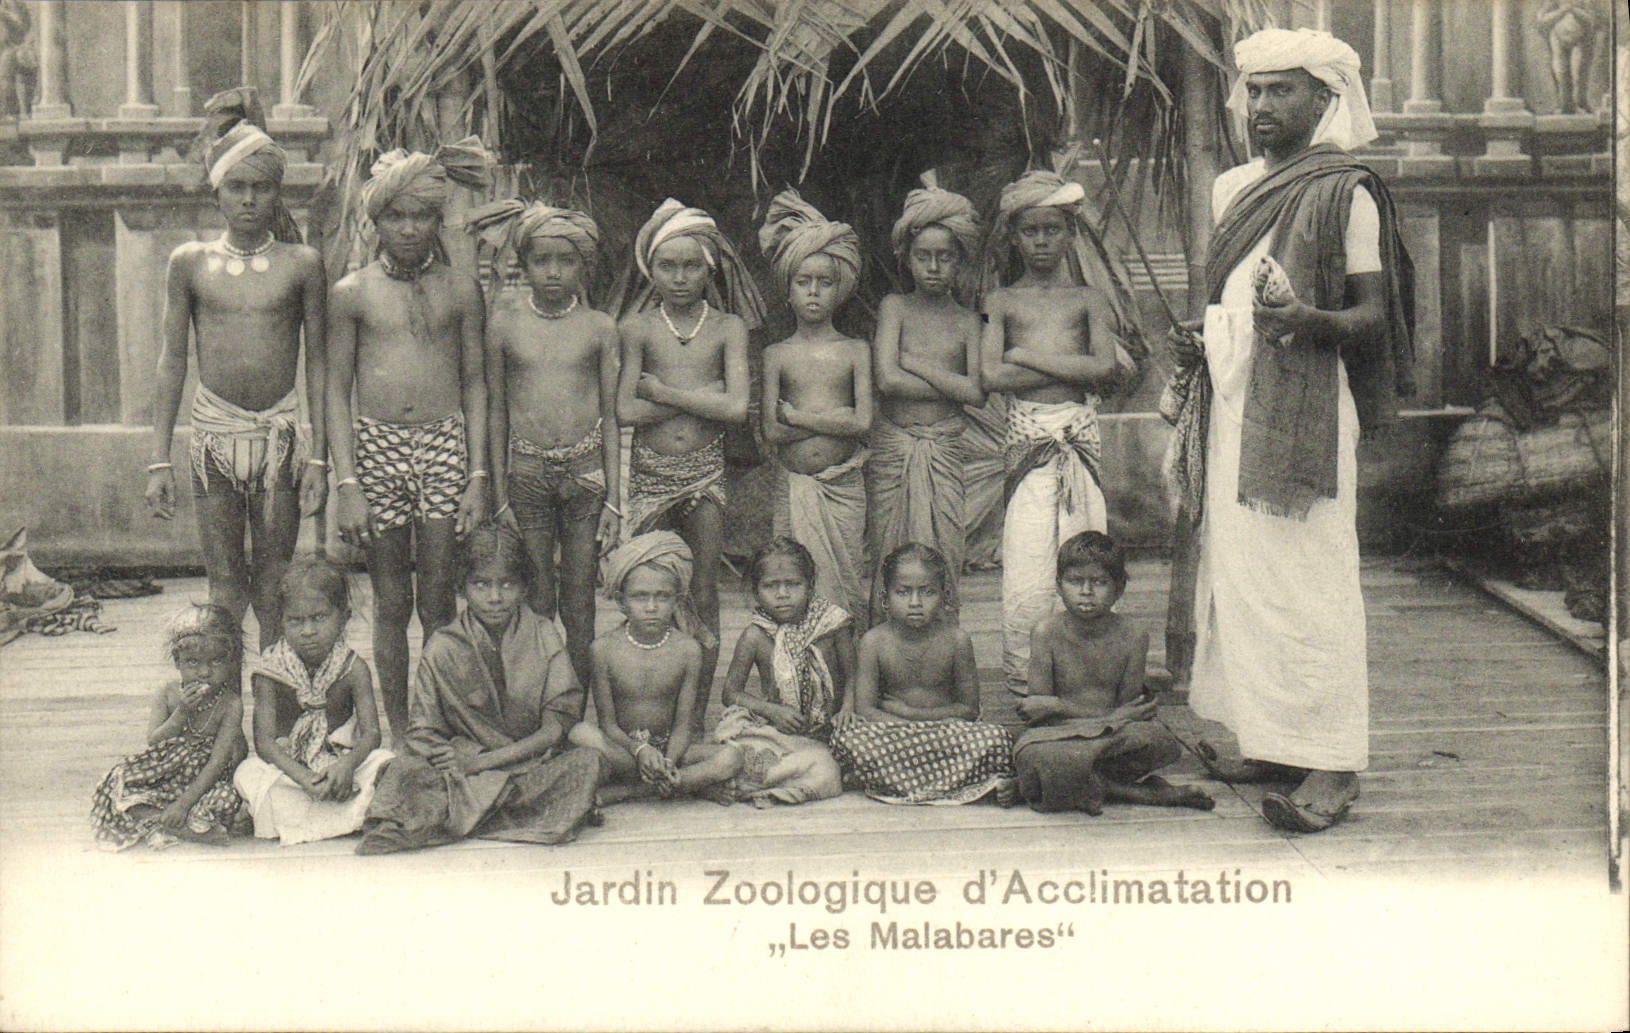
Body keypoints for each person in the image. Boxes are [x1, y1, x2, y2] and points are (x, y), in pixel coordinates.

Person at [1164, 28, 1414, 833]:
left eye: (1282, 92)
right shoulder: (1233, 186)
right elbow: (1234, 298)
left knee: (1310, 583)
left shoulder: (1349, 192)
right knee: (1242, 578)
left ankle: (1334, 764)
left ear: (1324, 99)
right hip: (1237, 399)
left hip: (1304, 406)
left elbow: (1376, 316)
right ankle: (1272, 741)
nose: (1262, 107)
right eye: (1256, 91)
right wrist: (1207, 336)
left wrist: (1304, 318)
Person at [144, 87, 327, 650]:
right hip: (214, 438)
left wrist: (319, 456)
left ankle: (274, 711)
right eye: (237, 187)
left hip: (280, 438)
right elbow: (173, 358)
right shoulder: (191, 262)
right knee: (224, 587)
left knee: (275, 585)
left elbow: (318, 359)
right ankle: (221, 716)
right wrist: (157, 458)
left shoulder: (303, 264)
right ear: (217, 191)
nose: (249, 199)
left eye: (262, 187)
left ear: (278, 194)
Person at [328, 140, 493, 749]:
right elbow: (334, 389)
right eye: (395, 215)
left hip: (445, 444)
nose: (408, 228)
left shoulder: (460, 289)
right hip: (377, 449)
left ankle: (440, 721)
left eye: (421, 215)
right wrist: (347, 484)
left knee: (441, 601)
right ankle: (399, 731)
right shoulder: (352, 292)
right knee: (392, 601)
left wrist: (477, 476)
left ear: (437, 219)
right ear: (376, 221)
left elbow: (476, 382)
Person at [980, 168, 1138, 693]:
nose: (1042, 240)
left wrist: (1024, 354)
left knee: (1083, 549)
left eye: (1052, 229)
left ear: (1069, 233)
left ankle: (1081, 675)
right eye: (1030, 231)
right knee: (1027, 557)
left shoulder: (1087, 300)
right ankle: (1029, 674)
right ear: (1014, 236)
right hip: (1028, 442)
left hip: (1078, 440)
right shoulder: (1000, 303)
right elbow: (992, 376)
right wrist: (1057, 361)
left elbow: (1101, 370)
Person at [356, 522, 602, 854]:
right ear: (462, 588)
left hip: (525, 763)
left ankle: (457, 817)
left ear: (524, 587)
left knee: (586, 761)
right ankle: (511, 812)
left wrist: (484, 764)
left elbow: (555, 728)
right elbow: (423, 732)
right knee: (401, 771)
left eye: (507, 584)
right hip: (462, 769)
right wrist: (458, 757)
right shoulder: (443, 646)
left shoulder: (543, 634)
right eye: (481, 584)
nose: (495, 597)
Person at [617, 198, 766, 733]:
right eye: (667, 266)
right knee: (648, 585)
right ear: (650, 269)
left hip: (705, 471)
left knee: (703, 589)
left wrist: (663, 390)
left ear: (711, 267)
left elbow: (734, 410)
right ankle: (647, 705)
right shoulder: (637, 328)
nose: (680, 277)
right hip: (651, 473)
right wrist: (697, 395)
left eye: (691, 266)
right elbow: (625, 409)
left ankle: (695, 715)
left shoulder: (728, 327)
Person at [465, 199, 620, 690]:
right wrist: (498, 491)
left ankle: (574, 704)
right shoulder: (506, 324)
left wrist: (616, 497)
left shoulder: (599, 327)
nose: (553, 273)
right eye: (541, 260)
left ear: (584, 265)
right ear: (523, 263)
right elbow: (496, 411)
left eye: (566, 261)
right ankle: (534, 698)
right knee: (535, 595)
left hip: (586, 473)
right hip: (526, 474)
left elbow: (612, 415)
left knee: (579, 596)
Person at [1009, 532, 1213, 815]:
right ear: (1058, 586)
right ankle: (1137, 792)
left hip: (1112, 737)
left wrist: (1072, 709)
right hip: (1060, 736)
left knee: (1159, 740)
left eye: (1100, 582)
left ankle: (1070, 784)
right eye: (1075, 581)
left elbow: (1127, 710)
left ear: (1119, 588)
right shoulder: (1046, 633)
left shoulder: (1133, 635)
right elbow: (1038, 712)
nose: (1086, 592)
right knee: (1031, 751)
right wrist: (1103, 717)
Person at [868, 186, 985, 623]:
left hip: (944, 448)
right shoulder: (894, 307)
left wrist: (913, 363)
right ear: (907, 258)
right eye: (923, 256)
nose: (934, 267)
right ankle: (885, 654)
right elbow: (886, 380)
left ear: (960, 260)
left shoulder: (969, 321)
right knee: (889, 550)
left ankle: (940, 654)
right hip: (894, 448)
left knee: (944, 549)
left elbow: (976, 393)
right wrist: (949, 382)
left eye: (945, 257)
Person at [758, 188, 873, 624]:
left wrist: (799, 416)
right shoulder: (777, 354)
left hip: (843, 487)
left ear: (839, 289)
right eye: (803, 282)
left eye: (824, 283)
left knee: (843, 584)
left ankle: (844, 682)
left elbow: (862, 421)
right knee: (791, 581)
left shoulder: (855, 351)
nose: (813, 292)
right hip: (794, 487)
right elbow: (772, 431)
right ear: (788, 289)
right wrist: (832, 421)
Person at [829, 543, 1014, 805]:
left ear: (944, 596)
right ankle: (953, 783)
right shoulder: (874, 642)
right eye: (903, 593)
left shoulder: (957, 640)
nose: (915, 603)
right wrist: (907, 728)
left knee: (996, 739)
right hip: (894, 735)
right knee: (848, 740)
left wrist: (911, 716)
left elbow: (969, 709)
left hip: (945, 732)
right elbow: (866, 710)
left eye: (927, 592)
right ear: (885, 598)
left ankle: (896, 783)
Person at [570, 532, 745, 804]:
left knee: (732, 756)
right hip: (626, 751)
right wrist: (639, 751)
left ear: (676, 601)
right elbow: (607, 724)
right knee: (579, 733)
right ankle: (690, 785)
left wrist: (667, 761)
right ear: (621, 601)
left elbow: (684, 726)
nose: (651, 607)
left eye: (662, 597)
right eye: (640, 597)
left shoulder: (688, 649)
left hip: (671, 750)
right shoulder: (603, 648)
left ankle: (637, 790)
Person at [233, 559, 395, 844]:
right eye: (295, 621)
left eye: (319, 617)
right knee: (247, 773)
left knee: (386, 764)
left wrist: (345, 768)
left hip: (342, 766)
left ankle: (319, 818)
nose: (308, 631)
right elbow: (265, 744)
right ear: (281, 621)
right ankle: (346, 818)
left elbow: (371, 734)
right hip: (291, 771)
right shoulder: (270, 671)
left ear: (343, 616)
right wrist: (305, 779)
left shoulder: (353, 668)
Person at [91, 604, 248, 850]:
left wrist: (184, 804)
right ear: (178, 662)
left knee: (228, 799)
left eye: (216, 662)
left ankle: (168, 822)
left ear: (231, 663)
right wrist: (182, 711)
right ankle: (181, 828)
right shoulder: (168, 693)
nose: (205, 672)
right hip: (166, 772)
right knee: (119, 781)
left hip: (204, 781)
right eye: (193, 663)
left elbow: (218, 762)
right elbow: (154, 740)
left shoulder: (230, 703)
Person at [714, 537, 847, 806]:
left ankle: (755, 784)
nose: (782, 594)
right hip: (778, 733)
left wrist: (847, 710)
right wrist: (772, 711)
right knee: (737, 739)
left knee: (833, 765)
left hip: (830, 730)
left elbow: (855, 675)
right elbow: (730, 693)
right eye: (771, 586)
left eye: (793, 584)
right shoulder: (755, 635)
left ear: (810, 586)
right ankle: (775, 779)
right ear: (756, 591)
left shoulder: (833, 626)